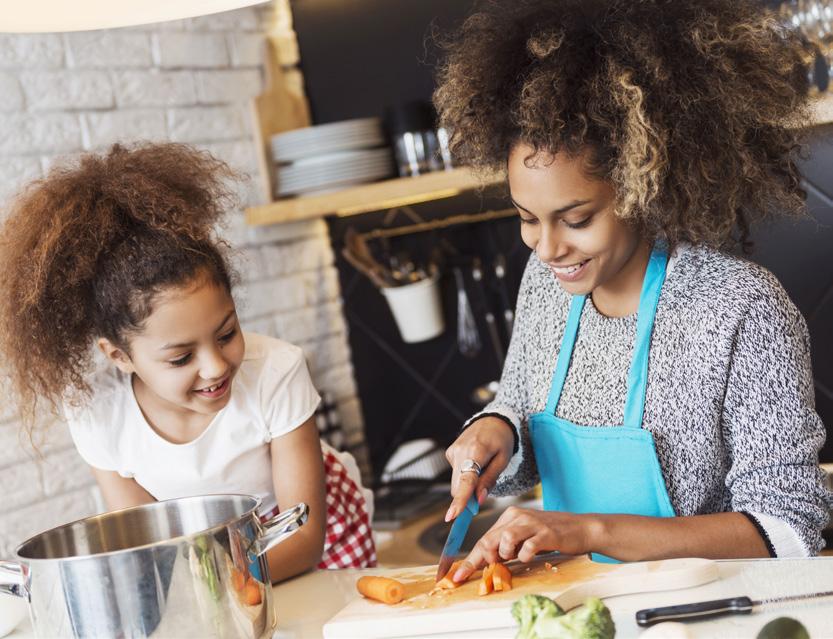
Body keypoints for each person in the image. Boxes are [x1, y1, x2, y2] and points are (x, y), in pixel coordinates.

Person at [434, 0, 832, 579]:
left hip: (704, 609)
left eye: (576, 219)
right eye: (526, 218)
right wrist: (495, 429)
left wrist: (590, 531)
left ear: (643, 186)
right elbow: (518, 419)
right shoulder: (546, 285)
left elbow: (789, 530)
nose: (547, 248)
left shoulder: (739, 307)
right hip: (576, 601)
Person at [0, 143, 376, 581]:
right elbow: (148, 544)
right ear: (120, 355)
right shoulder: (98, 415)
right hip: (207, 561)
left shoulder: (277, 371)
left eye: (227, 334)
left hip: (307, 535)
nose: (216, 366)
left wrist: (215, 585)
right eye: (181, 357)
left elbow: (304, 537)